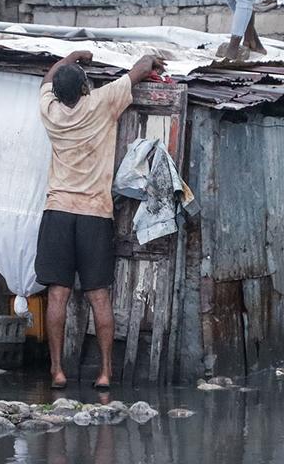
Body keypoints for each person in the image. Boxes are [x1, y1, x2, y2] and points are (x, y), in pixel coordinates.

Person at [36, 50, 166, 389]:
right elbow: (139, 71)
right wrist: (151, 57)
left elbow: (48, 79)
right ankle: (106, 373)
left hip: (58, 211)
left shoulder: (50, 112)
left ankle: (57, 371)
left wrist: (70, 56)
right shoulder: (101, 103)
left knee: (57, 295)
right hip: (94, 214)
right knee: (99, 296)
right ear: (83, 90)